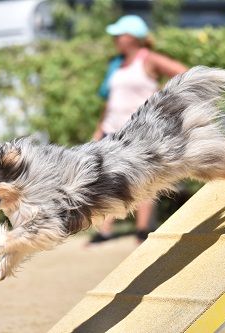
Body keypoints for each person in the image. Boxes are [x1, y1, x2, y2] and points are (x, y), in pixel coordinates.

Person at [89, 15, 188, 244]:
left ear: (132, 38)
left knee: (143, 179)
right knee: (108, 181)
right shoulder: (117, 64)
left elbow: (183, 72)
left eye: (119, 34)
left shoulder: (149, 59)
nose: (114, 38)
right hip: (112, 130)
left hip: (138, 132)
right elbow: (110, 101)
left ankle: (142, 230)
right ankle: (104, 231)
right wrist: (99, 129)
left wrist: (161, 98)